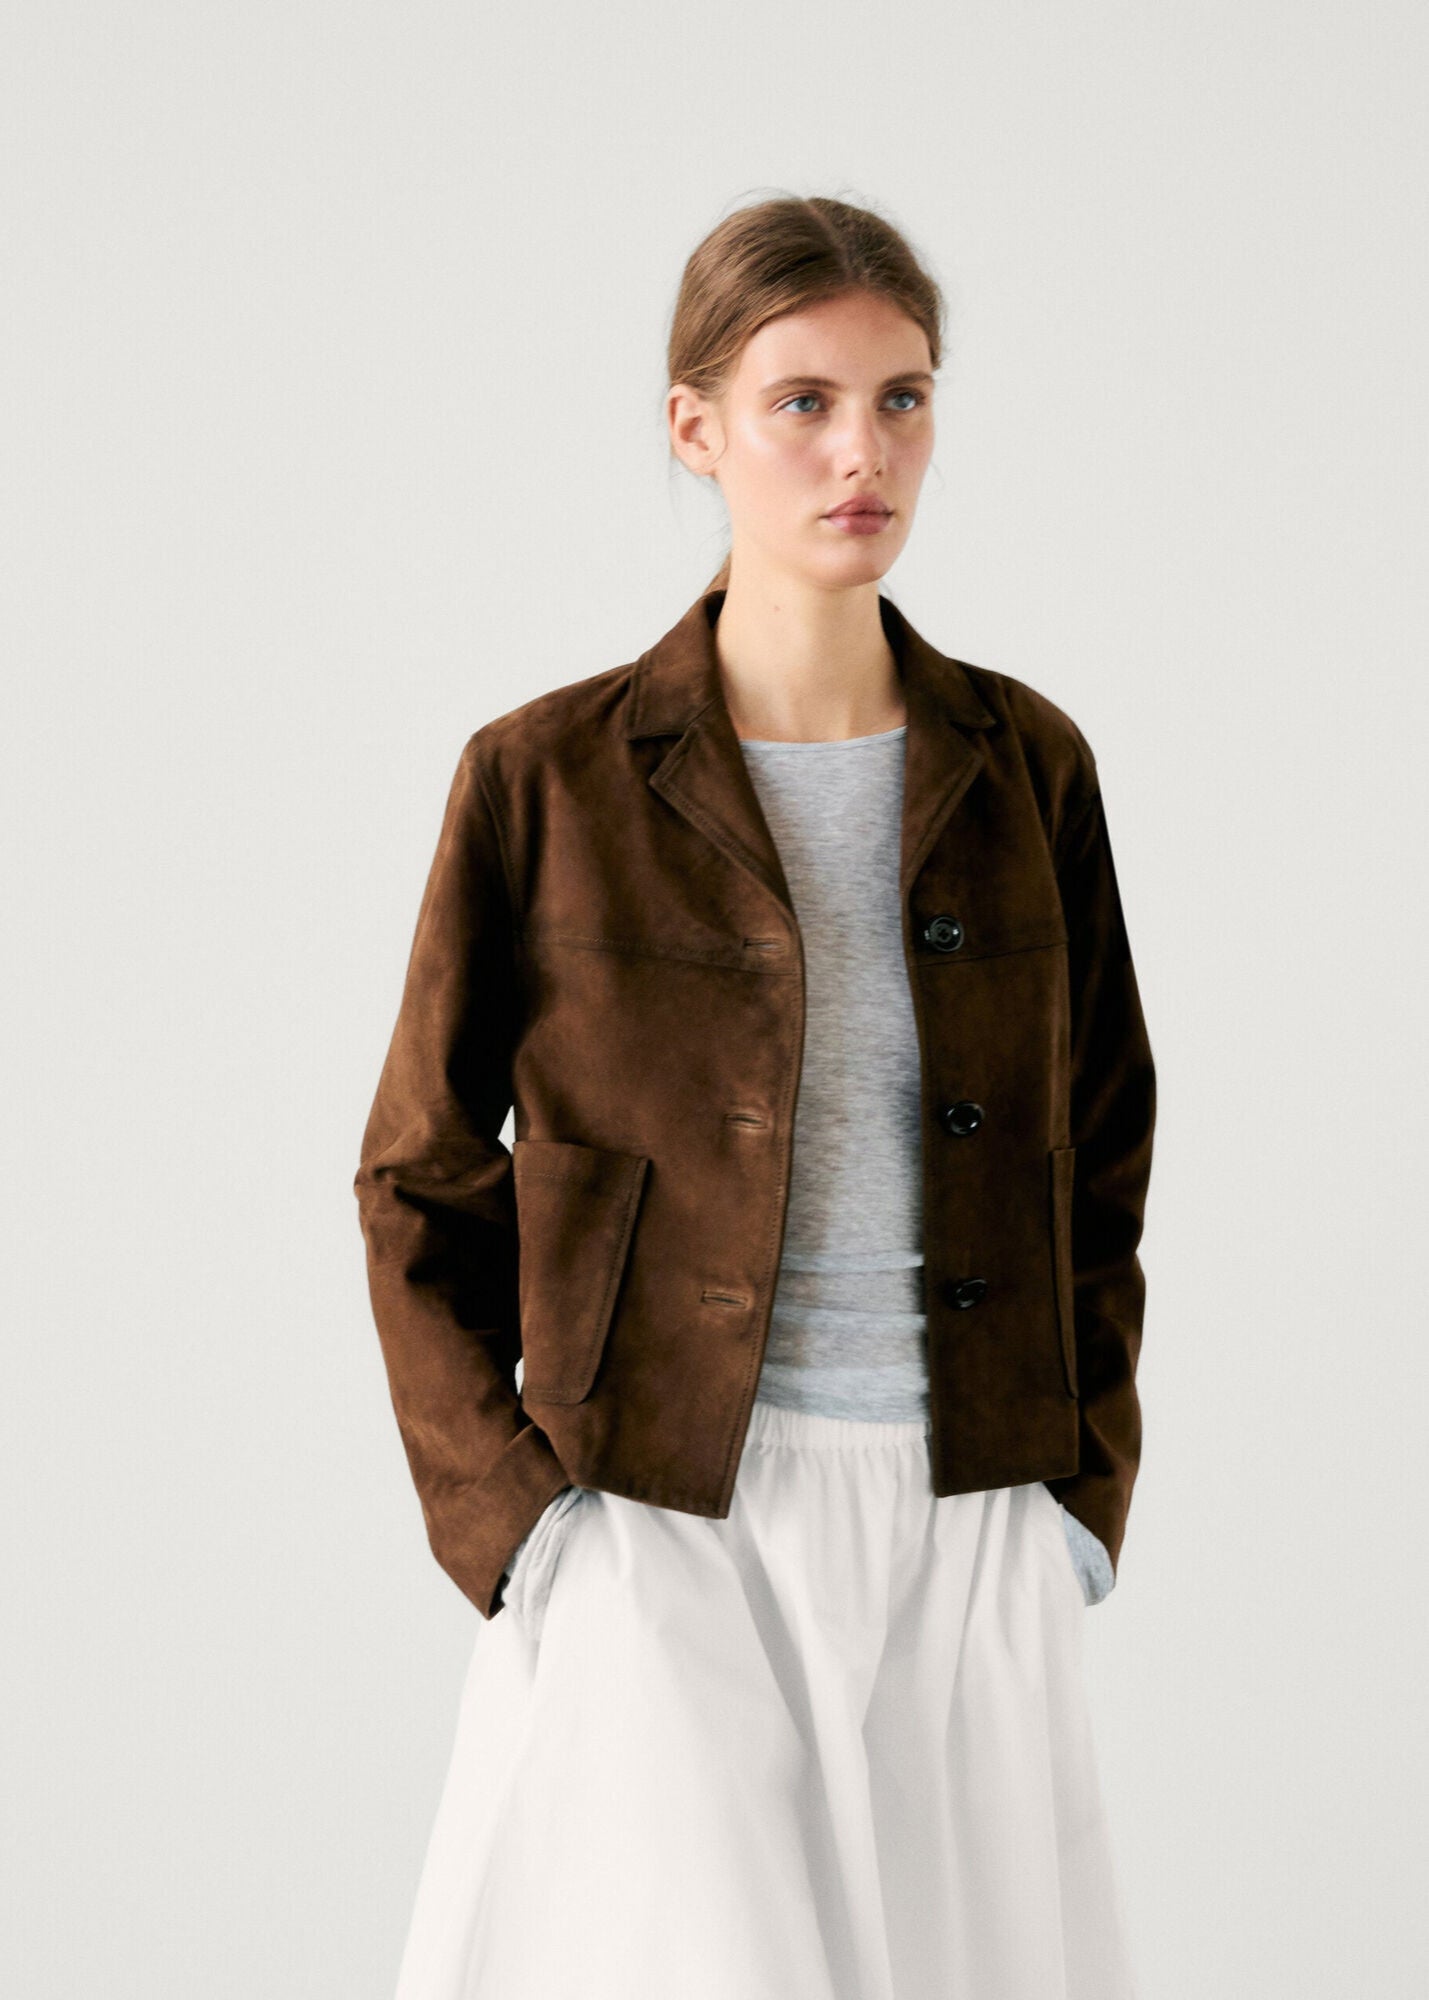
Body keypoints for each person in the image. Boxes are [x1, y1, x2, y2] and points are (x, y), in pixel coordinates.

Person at [354, 194, 1157, 2000]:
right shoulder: (545, 777)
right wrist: (526, 1528)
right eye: (802, 401)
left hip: (970, 1508)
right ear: (693, 427)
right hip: (659, 1518)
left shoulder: (1025, 763)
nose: (860, 452)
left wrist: (1078, 1497)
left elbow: (1102, 1142)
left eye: (901, 398)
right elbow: (417, 1173)